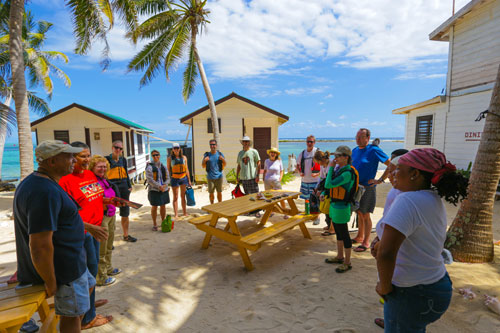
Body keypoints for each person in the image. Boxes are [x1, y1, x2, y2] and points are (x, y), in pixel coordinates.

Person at [372, 148, 468, 332]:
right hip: (436, 284)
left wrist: (384, 288)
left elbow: (386, 253)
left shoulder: (408, 200)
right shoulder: (430, 197)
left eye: (399, 168)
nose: (393, 172)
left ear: (415, 174)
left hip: (412, 292)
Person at [14, 140, 90, 332]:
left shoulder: (38, 182)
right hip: (65, 271)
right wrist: (50, 280)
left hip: (74, 265)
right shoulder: (43, 191)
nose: (74, 160)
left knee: (85, 293)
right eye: (69, 156)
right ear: (52, 162)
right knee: (71, 318)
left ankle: (77, 311)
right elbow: (39, 244)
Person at [60, 142, 113, 329]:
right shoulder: (65, 180)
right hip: (81, 234)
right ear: (72, 158)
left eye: (88, 155)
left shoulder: (90, 174)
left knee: (92, 269)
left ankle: (89, 305)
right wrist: (89, 227)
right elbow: (65, 215)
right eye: (82, 156)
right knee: (86, 274)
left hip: (95, 230)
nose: (86, 160)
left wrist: (109, 200)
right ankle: (88, 318)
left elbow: (93, 197)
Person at [351, 128, 391, 252]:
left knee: (365, 214)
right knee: (358, 212)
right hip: (356, 187)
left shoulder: (374, 150)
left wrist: (380, 180)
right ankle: (359, 236)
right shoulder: (355, 150)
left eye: (361, 137)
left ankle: (366, 241)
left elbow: (391, 164)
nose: (358, 139)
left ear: (368, 138)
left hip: (368, 188)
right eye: (357, 136)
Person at [90, 155, 122, 287]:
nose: (102, 169)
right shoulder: (92, 181)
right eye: (99, 167)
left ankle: (108, 268)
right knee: (101, 248)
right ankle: (101, 276)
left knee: (109, 245)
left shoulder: (105, 180)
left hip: (110, 215)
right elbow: (93, 201)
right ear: (93, 167)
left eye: (104, 166)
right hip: (101, 217)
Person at [323, 146, 356, 273]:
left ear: (346, 157)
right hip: (335, 206)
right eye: (335, 156)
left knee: (344, 234)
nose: (335, 158)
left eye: (337, 156)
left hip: (342, 208)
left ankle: (347, 262)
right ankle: (340, 256)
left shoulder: (347, 173)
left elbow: (328, 184)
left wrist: (330, 167)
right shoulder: (341, 170)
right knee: (338, 232)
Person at [106, 140, 136, 242]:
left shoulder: (123, 160)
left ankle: (126, 235)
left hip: (123, 186)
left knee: (125, 211)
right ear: (112, 148)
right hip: (112, 186)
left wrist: (129, 185)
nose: (118, 150)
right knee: (110, 211)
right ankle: (110, 239)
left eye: (120, 148)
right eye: (116, 147)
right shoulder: (107, 159)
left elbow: (126, 173)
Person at [296, 135, 320, 224]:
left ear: (314, 142)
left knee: (315, 200)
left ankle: (317, 217)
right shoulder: (303, 153)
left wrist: (317, 174)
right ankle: (308, 215)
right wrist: (300, 172)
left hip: (315, 181)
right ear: (306, 142)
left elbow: (324, 165)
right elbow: (298, 165)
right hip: (305, 181)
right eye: (308, 141)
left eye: (311, 142)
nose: (310, 143)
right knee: (306, 200)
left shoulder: (317, 152)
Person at [146, 150, 170, 230]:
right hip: (154, 190)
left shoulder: (163, 166)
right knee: (154, 207)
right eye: (154, 155)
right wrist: (159, 186)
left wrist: (165, 185)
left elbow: (168, 178)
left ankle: (163, 221)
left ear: (159, 155)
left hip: (164, 189)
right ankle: (155, 223)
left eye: (157, 155)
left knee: (163, 206)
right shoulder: (149, 167)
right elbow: (150, 180)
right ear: (152, 157)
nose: (156, 156)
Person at [313, 150, 335, 236]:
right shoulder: (323, 166)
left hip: (332, 187)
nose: (318, 164)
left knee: (331, 208)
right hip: (326, 187)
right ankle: (329, 225)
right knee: (326, 207)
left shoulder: (331, 164)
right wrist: (317, 188)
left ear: (321, 159)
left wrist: (321, 190)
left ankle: (332, 228)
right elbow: (321, 178)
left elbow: (329, 178)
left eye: (318, 162)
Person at [236, 136, 261, 210]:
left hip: (252, 177)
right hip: (244, 178)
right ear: (242, 143)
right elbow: (239, 165)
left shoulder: (254, 151)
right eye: (244, 141)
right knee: (247, 195)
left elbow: (258, 163)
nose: (245, 143)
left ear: (249, 143)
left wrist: (257, 175)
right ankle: (250, 210)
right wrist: (237, 176)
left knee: (256, 194)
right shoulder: (240, 153)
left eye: (247, 141)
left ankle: (257, 211)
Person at [167, 142, 191, 218]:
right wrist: (167, 181)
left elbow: (187, 169)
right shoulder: (169, 158)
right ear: (172, 149)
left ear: (180, 149)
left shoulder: (184, 158)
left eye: (177, 148)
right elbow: (168, 170)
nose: (176, 150)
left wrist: (189, 180)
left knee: (183, 196)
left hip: (183, 178)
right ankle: (176, 214)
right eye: (175, 148)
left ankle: (184, 212)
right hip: (175, 178)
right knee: (175, 197)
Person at [263, 147, 287, 215]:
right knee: (269, 197)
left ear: (276, 154)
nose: (272, 154)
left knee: (281, 197)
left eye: (274, 153)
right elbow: (265, 170)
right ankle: (271, 211)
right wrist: (264, 178)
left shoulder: (279, 161)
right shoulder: (266, 161)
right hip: (267, 182)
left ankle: (285, 213)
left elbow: (282, 171)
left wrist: (280, 178)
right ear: (269, 153)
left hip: (276, 181)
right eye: (271, 152)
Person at [202, 139, 226, 204]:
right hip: (210, 177)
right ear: (209, 146)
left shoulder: (220, 154)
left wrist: (223, 159)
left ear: (216, 145)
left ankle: (219, 206)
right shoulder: (207, 155)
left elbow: (225, 164)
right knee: (211, 194)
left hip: (219, 177)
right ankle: (212, 206)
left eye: (214, 144)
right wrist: (205, 161)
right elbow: (203, 166)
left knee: (219, 193)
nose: (212, 146)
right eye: (211, 144)